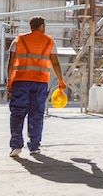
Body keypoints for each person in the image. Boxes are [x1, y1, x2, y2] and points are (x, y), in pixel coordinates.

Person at [7, 16, 66, 157]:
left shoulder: (18, 40)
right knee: (36, 114)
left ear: (31, 26)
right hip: (40, 83)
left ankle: (16, 146)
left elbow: (11, 62)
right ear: (42, 27)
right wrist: (60, 80)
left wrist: (9, 81)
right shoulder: (49, 42)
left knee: (17, 113)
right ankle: (34, 146)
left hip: (20, 81)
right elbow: (55, 63)